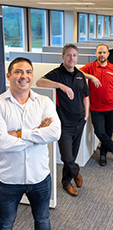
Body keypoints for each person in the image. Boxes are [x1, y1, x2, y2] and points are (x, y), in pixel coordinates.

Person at [0, 57, 61, 229]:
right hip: (8, 179)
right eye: (18, 71)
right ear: (8, 75)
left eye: (28, 72)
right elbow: (2, 142)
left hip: (39, 177)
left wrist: (20, 134)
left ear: (32, 75)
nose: (23, 76)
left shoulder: (44, 102)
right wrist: (37, 137)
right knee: (5, 223)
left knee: (42, 220)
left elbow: (55, 132)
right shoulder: (0, 105)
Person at [36, 44, 98, 196]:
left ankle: (66, 182)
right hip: (63, 123)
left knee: (73, 154)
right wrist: (60, 86)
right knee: (66, 156)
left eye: (74, 55)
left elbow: (86, 95)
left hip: (79, 121)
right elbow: (39, 82)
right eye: (68, 55)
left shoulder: (80, 75)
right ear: (63, 56)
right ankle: (75, 172)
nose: (71, 58)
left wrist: (86, 114)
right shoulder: (57, 73)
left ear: (77, 58)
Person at [80, 44, 113, 166]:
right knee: (99, 131)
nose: (102, 55)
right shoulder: (91, 67)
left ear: (108, 54)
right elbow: (78, 72)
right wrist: (91, 77)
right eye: (99, 52)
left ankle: (103, 154)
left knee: (108, 132)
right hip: (96, 107)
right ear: (96, 54)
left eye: (104, 52)